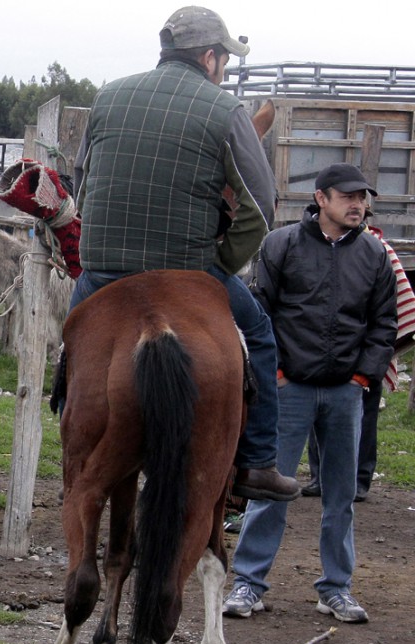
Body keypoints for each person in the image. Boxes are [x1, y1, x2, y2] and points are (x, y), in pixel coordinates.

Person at [69, 6, 299, 500]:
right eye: (226, 62)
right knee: (258, 333)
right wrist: (220, 268)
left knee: (75, 338)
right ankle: (257, 461)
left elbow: (81, 184)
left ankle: (70, 412)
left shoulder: (107, 97)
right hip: (186, 272)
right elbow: (261, 206)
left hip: (103, 271)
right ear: (211, 58)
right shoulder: (225, 110)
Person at [223, 163, 397, 624]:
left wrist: (363, 379)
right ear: (322, 198)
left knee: (340, 496)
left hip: (346, 393)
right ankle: (248, 584)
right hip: (289, 390)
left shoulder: (376, 255)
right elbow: (260, 313)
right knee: (269, 490)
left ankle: (336, 588)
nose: (358, 204)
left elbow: (384, 325)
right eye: (348, 196)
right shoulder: (280, 244)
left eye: (362, 197)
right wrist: (275, 373)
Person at [303, 211, 415, 502]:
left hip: (362, 349)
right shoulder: (314, 247)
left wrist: (373, 357)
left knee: (363, 416)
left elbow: (391, 308)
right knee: (317, 414)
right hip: (318, 349)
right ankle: (319, 476)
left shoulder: (378, 249)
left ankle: (359, 479)